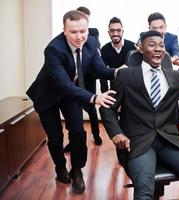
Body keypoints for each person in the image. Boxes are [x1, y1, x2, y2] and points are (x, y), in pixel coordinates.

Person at [100, 30, 179, 200]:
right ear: (141, 48)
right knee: (144, 189)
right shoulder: (125, 76)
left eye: (161, 45)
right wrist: (117, 133)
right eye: (152, 45)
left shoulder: (175, 76)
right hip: (139, 143)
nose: (158, 49)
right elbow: (107, 108)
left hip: (170, 142)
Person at [26, 10, 117, 194]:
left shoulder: (91, 42)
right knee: (56, 137)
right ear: (64, 30)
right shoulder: (54, 49)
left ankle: (76, 170)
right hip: (48, 95)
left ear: (87, 28)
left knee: (77, 132)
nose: (79, 37)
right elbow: (64, 84)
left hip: (70, 95)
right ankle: (60, 167)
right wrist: (94, 97)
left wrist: (119, 72)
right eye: (73, 32)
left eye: (82, 31)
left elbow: (99, 69)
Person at [63, 7, 103, 154]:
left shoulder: (93, 33)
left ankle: (96, 134)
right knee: (73, 111)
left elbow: (94, 50)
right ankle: (73, 141)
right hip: (73, 79)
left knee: (91, 107)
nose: (79, 33)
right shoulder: (69, 36)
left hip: (88, 76)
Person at [100, 17, 136, 91]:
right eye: (112, 31)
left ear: (122, 31)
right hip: (114, 88)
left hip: (131, 89)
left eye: (118, 30)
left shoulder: (132, 47)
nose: (115, 34)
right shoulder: (104, 49)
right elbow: (102, 72)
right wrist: (105, 92)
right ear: (108, 32)